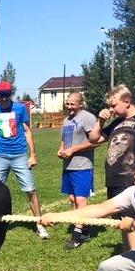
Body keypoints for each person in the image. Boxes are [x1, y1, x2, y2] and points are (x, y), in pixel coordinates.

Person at [88, 84, 135, 247]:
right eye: (109, 105)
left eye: (113, 105)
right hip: (114, 180)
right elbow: (93, 139)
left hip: (134, 180)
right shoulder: (117, 122)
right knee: (125, 225)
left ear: (127, 101)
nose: (110, 109)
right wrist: (101, 121)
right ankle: (130, 256)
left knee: (134, 224)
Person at [0, 81, 47, 239]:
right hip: (0, 156)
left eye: (7, 95)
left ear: (11, 94)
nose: (5, 98)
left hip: (20, 155)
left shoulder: (20, 108)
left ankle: (39, 224)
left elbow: (27, 132)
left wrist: (32, 154)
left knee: (30, 190)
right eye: (1, 95)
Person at [57, 92, 98, 249]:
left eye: (73, 104)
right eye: (67, 104)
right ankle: (84, 230)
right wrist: (61, 150)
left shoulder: (87, 117)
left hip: (82, 166)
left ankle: (77, 235)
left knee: (81, 200)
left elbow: (95, 141)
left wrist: (74, 149)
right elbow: (64, 140)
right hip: (68, 166)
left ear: (81, 104)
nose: (69, 107)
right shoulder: (66, 120)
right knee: (73, 199)